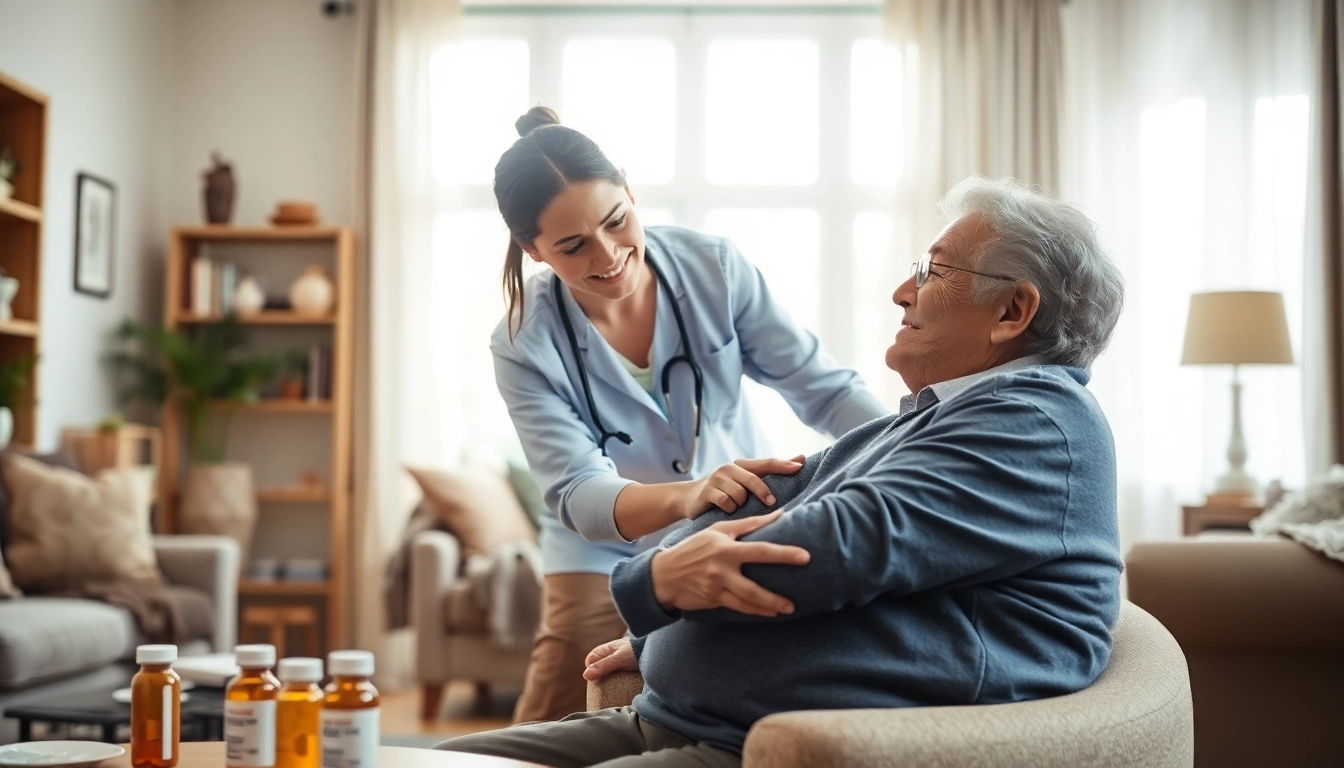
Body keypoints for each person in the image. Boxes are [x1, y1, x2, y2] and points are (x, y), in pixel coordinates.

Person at [437, 176, 1128, 767]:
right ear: (536, 253)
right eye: (572, 246)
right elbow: (778, 490)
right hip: (685, 710)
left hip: (747, 744)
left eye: (930, 271)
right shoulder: (940, 417)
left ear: (1013, 311)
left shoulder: (1033, 427)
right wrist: (659, 623)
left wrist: (657, 582)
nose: (898, 291)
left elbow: (827, 546)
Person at [490, 107, 889, 723]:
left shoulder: (715, 270)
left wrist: (910, 445)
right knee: (564, 688)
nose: (608, 255)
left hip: (731, 517)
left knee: (738, 673)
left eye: (616, 221)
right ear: (531, 248)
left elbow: (825, 389)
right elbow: (576, 490)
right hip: (600, 553)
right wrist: (687, 496)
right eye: (572, 246)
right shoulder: (523, 340)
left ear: (629, 191)